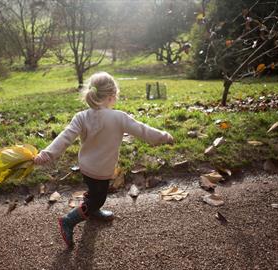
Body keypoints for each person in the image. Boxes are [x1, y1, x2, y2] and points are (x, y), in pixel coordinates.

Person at [34, 71, 174, 248]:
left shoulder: (81, 116)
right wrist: (164, 137)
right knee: (98, 198)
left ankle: (92, 210)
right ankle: (69, 220)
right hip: (102, 170)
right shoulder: (119, 117)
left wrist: (46, 154)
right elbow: (144, 131)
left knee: (94, 192)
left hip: (86, 167)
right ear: (111, 96)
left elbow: (65, 137)